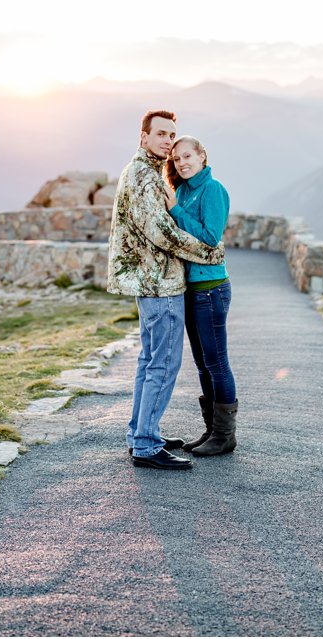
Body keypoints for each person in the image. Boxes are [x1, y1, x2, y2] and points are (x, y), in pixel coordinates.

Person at [107, 110, 225, 471]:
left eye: (171, 135)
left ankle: (142, 433)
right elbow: (163, 232)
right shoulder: (143, 175)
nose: (167, 141)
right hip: (160, 284)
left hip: (153, 282)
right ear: (143, 137)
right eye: (160, 134)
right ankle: (145, 445)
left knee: (148, 361)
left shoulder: (146, 171)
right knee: (163, 362)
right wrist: (209, 251)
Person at [163, 135, 238, 456]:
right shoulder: (182, 190)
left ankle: (225, 435)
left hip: (211, 289)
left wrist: (176, 210)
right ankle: (211, 431)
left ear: (202, 156)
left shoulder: (213, 189)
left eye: (187, 156)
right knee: (202, 364)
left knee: (217, 362)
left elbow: (209, 237)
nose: (182, 163)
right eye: (177, 159)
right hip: (190, 289)